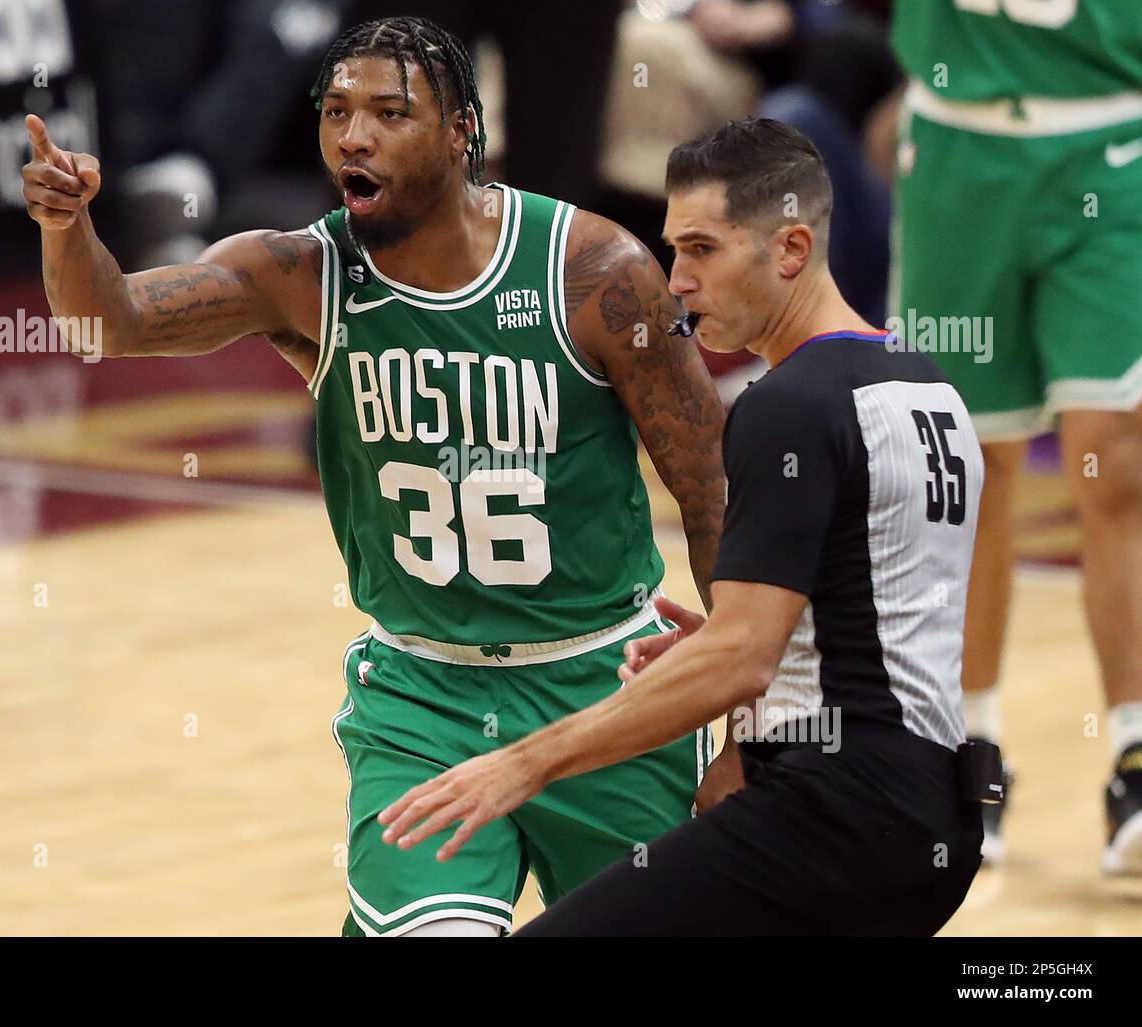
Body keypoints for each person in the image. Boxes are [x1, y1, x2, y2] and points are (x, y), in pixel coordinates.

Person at [21, 15, 726, 936]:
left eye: (390, 113)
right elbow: (106, 321)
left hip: (606, 686)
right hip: (422, 696)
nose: (354, 135)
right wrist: (66, 227)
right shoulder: (303, 273)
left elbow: (710, 485)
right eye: (338, 112)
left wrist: (748, 681)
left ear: (463, 130)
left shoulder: (595, 271)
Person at [378, 119, 992, 936]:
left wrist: (522, 763)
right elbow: (888, 606)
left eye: (703, 249)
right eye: (674, 250)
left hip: (833, 814)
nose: (678, 280)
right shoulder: (926, 385)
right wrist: (768, 639)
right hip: (935, 816)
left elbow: (741, 659)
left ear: (791, 248)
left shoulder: (788, 406)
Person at [891, 0, 1142, 872]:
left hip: (1111, 141)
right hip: (959, 152)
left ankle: (1133, 755)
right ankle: (973, 750)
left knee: (1114, 461)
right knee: (963, 467)